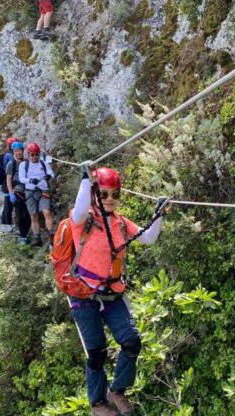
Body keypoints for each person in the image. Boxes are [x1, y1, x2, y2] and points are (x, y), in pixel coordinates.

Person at [69, 163, 169, 416]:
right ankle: (98, 404)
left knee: (132, 341)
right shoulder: (83, 221)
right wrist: (85, 179)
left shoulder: (121, 223)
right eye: (103, 194)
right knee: (97, 353)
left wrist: (159, 214)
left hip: (113, 294)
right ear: (94, 194)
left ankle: (118, 390)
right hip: (84, 295)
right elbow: (80, 210)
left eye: (115, 194)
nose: (110, 199)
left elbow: (148, 238)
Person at [18, 142, 55, 247]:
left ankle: (51, 236)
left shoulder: (43, 163)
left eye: (36, 155)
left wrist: (48, 176)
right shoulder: (23, 165)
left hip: (43, 190)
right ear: (28, 154)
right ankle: (37, 238)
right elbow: (21, 178)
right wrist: (30, 180)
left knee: (46, 212)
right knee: (33, 216)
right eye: (32, 155)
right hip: (30, 192)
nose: (34, 157)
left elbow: (51, 173)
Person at [6, 141, 32, 244]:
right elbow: (8, 180)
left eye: (19, 150)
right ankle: (22, 236)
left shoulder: (27, 162)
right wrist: (10, 193)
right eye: (16, 151)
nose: (18, 153)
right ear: (13, 152)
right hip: (17, 191)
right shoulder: (11, 164)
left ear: (22, 150)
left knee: (29, 214)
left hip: (29, 191)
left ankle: (25, 234)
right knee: (20, 215)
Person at [0, 137, 20, 233]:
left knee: (7, 206)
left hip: (5, 183)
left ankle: (5, 224)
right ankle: (7, 226)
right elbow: (11, 171)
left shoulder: (6, 155)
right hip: (8, 183)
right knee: (8, 205)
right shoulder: (10, 156)